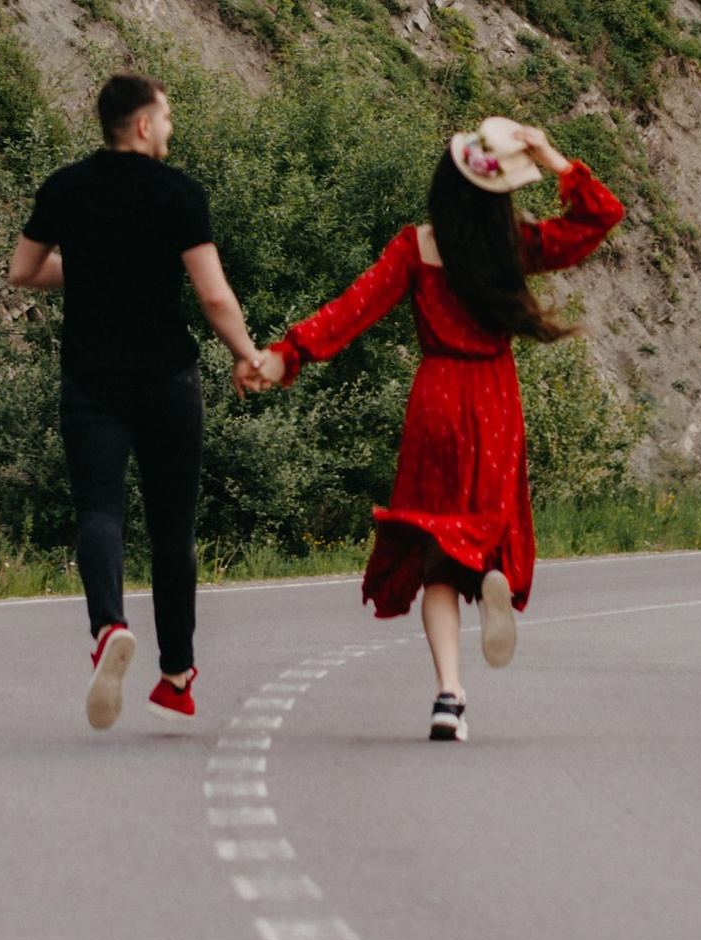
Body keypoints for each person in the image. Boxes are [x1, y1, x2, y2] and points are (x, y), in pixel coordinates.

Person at [237, 116, 624, 742]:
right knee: (487, 522)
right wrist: (554, 159)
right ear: (503, 192)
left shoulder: (415, 246)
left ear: (447, 181)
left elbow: (353, 308)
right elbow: (600, 216)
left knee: (437, 554)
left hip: (437, 399)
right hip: (494, 395)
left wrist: (287, 354)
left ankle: (449, 695)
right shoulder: (517, 244)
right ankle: (495, 572)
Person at [10, 73, 267, 729]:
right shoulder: (178, 192)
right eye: (169, 115)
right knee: (172, 527)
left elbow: (25, 270)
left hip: (91, 377)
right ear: (145, 124)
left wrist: (93, 263)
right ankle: (177, 676)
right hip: (166, 378)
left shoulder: (65, 186)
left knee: (99, 507)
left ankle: (108, 627)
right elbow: (213, 295)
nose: (172, 128)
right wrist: (246, 351)